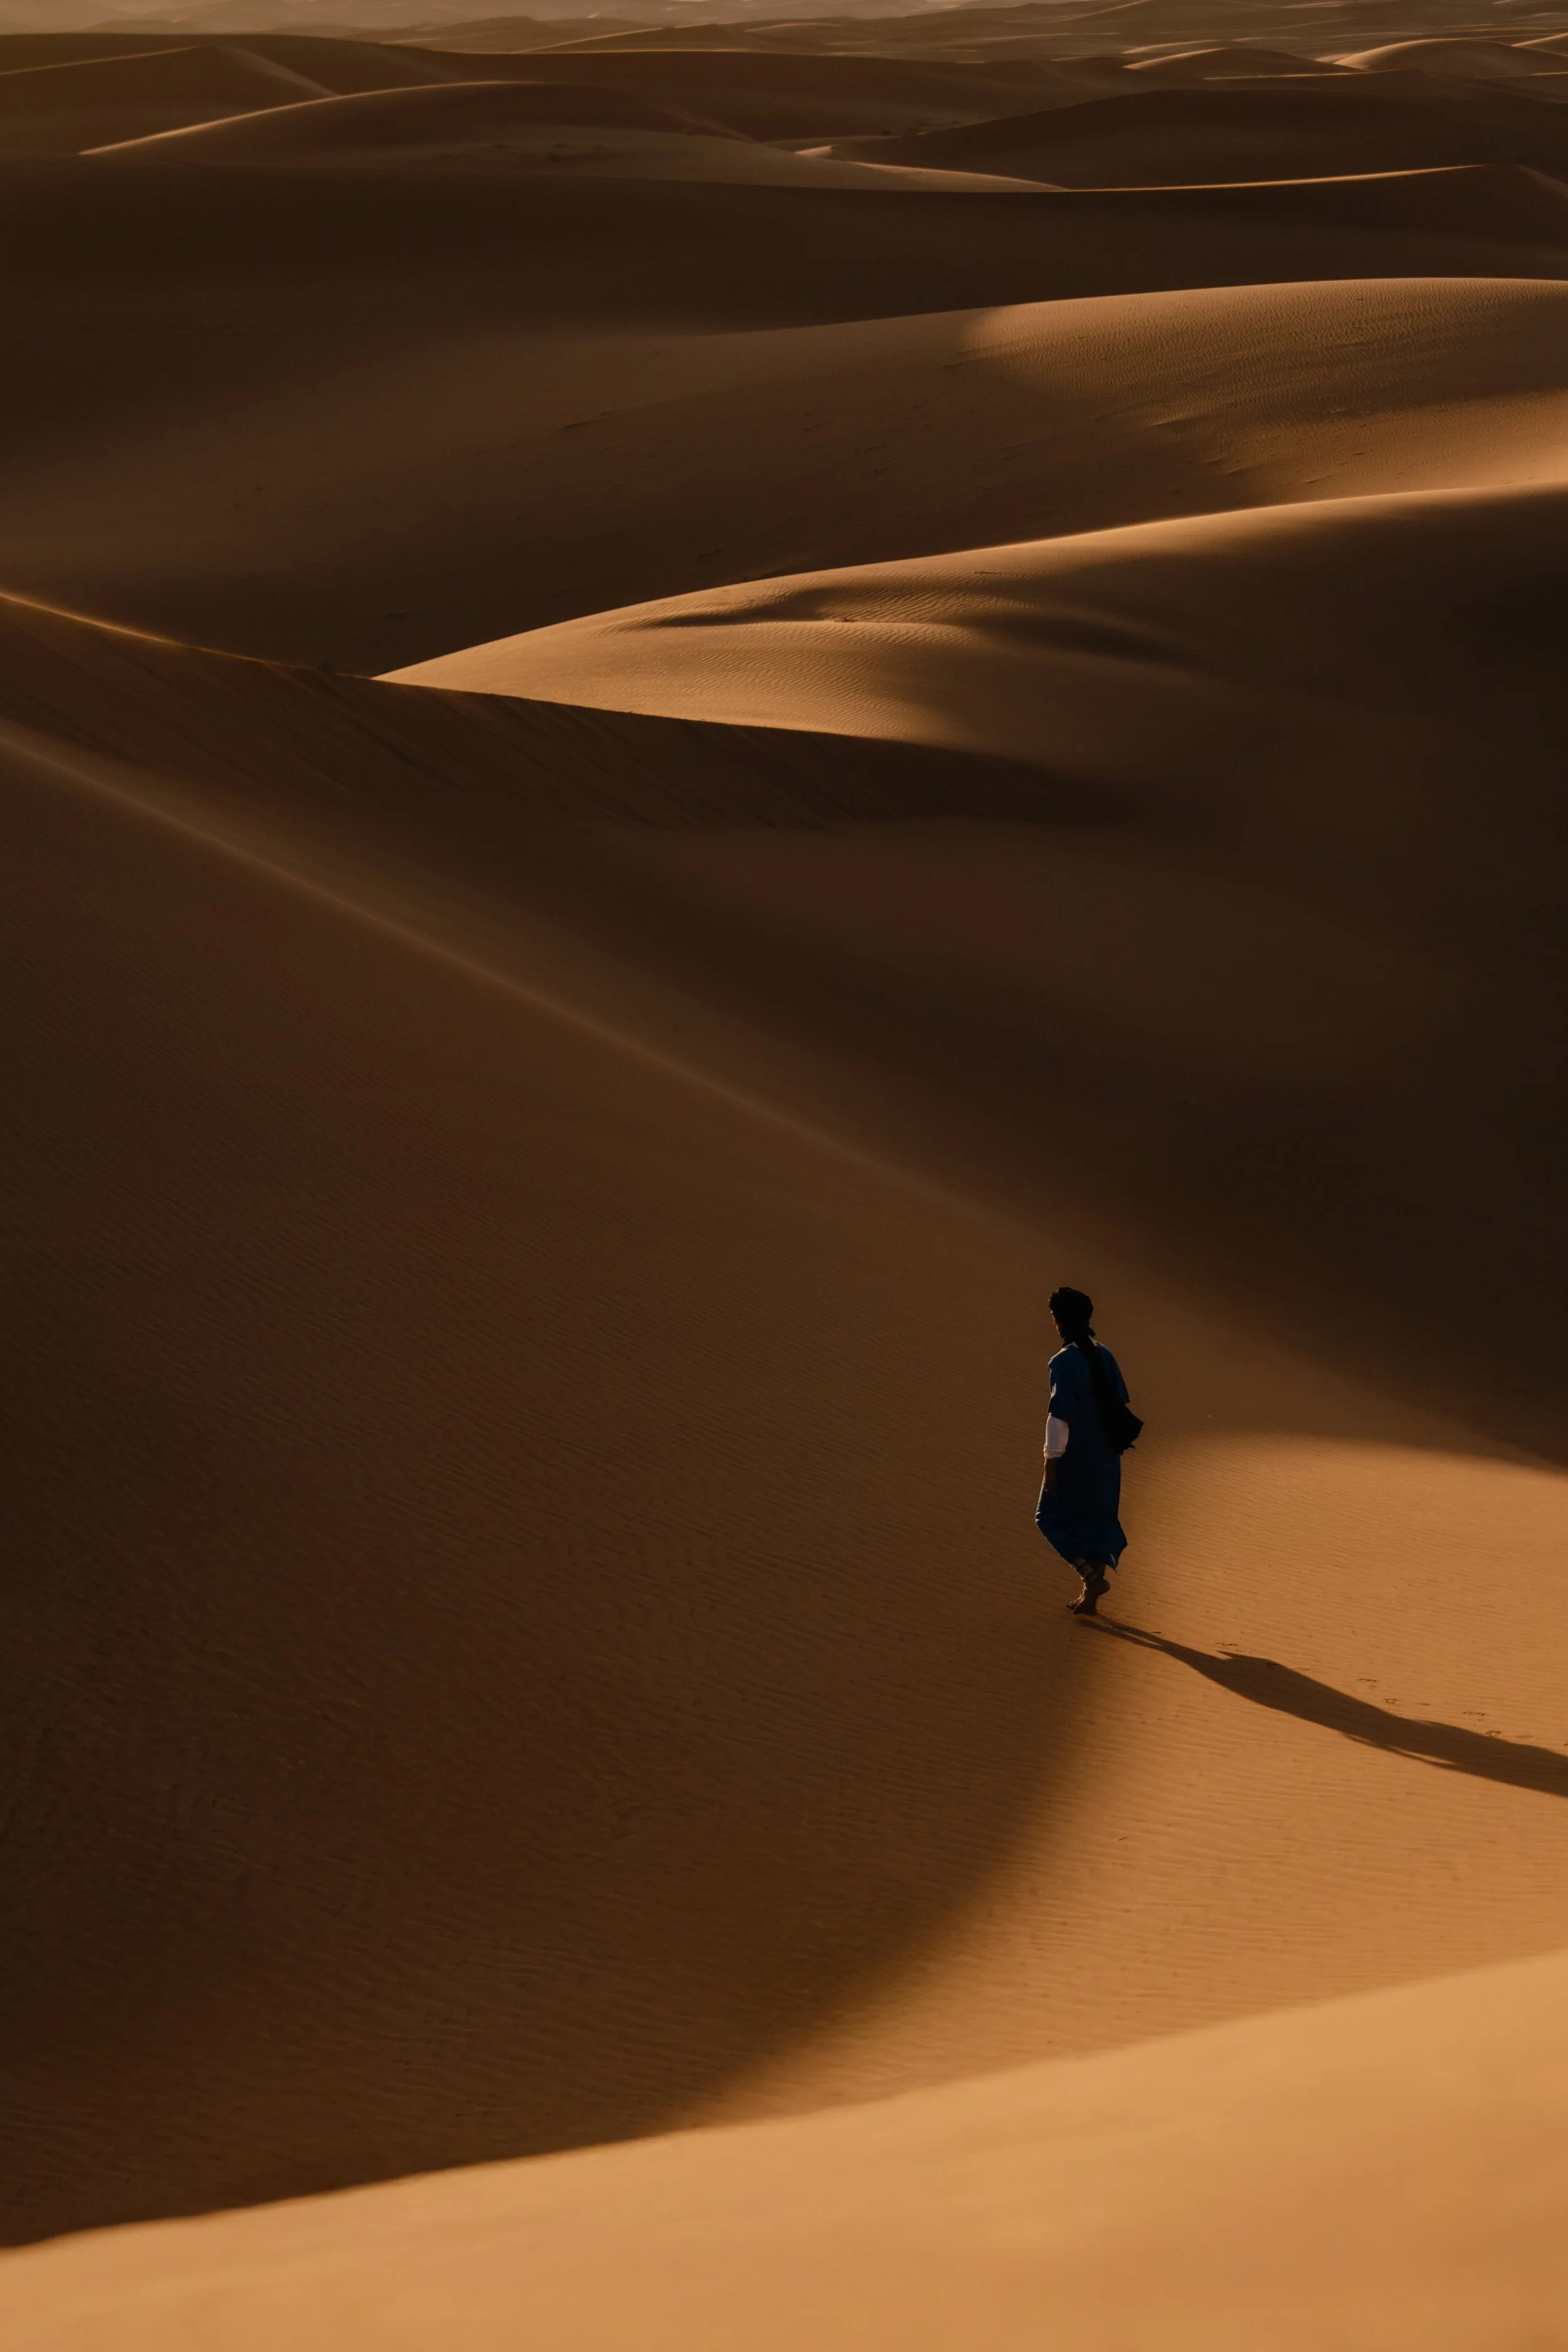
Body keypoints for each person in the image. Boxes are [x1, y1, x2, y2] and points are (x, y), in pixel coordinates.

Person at [1036, 1286, 1134, 1618]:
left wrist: (1051, 1463)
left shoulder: (1063, 1362)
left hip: (1076, 1458)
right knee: (1097, 1522)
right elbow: (1121, 1401)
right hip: (1107, 1457)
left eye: (1054, 1317)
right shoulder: (1105, 1354)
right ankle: (1090, 1598)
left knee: (1048, 1517)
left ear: (1062, 1320)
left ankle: (1091, 1579)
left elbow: (1060, 1416)